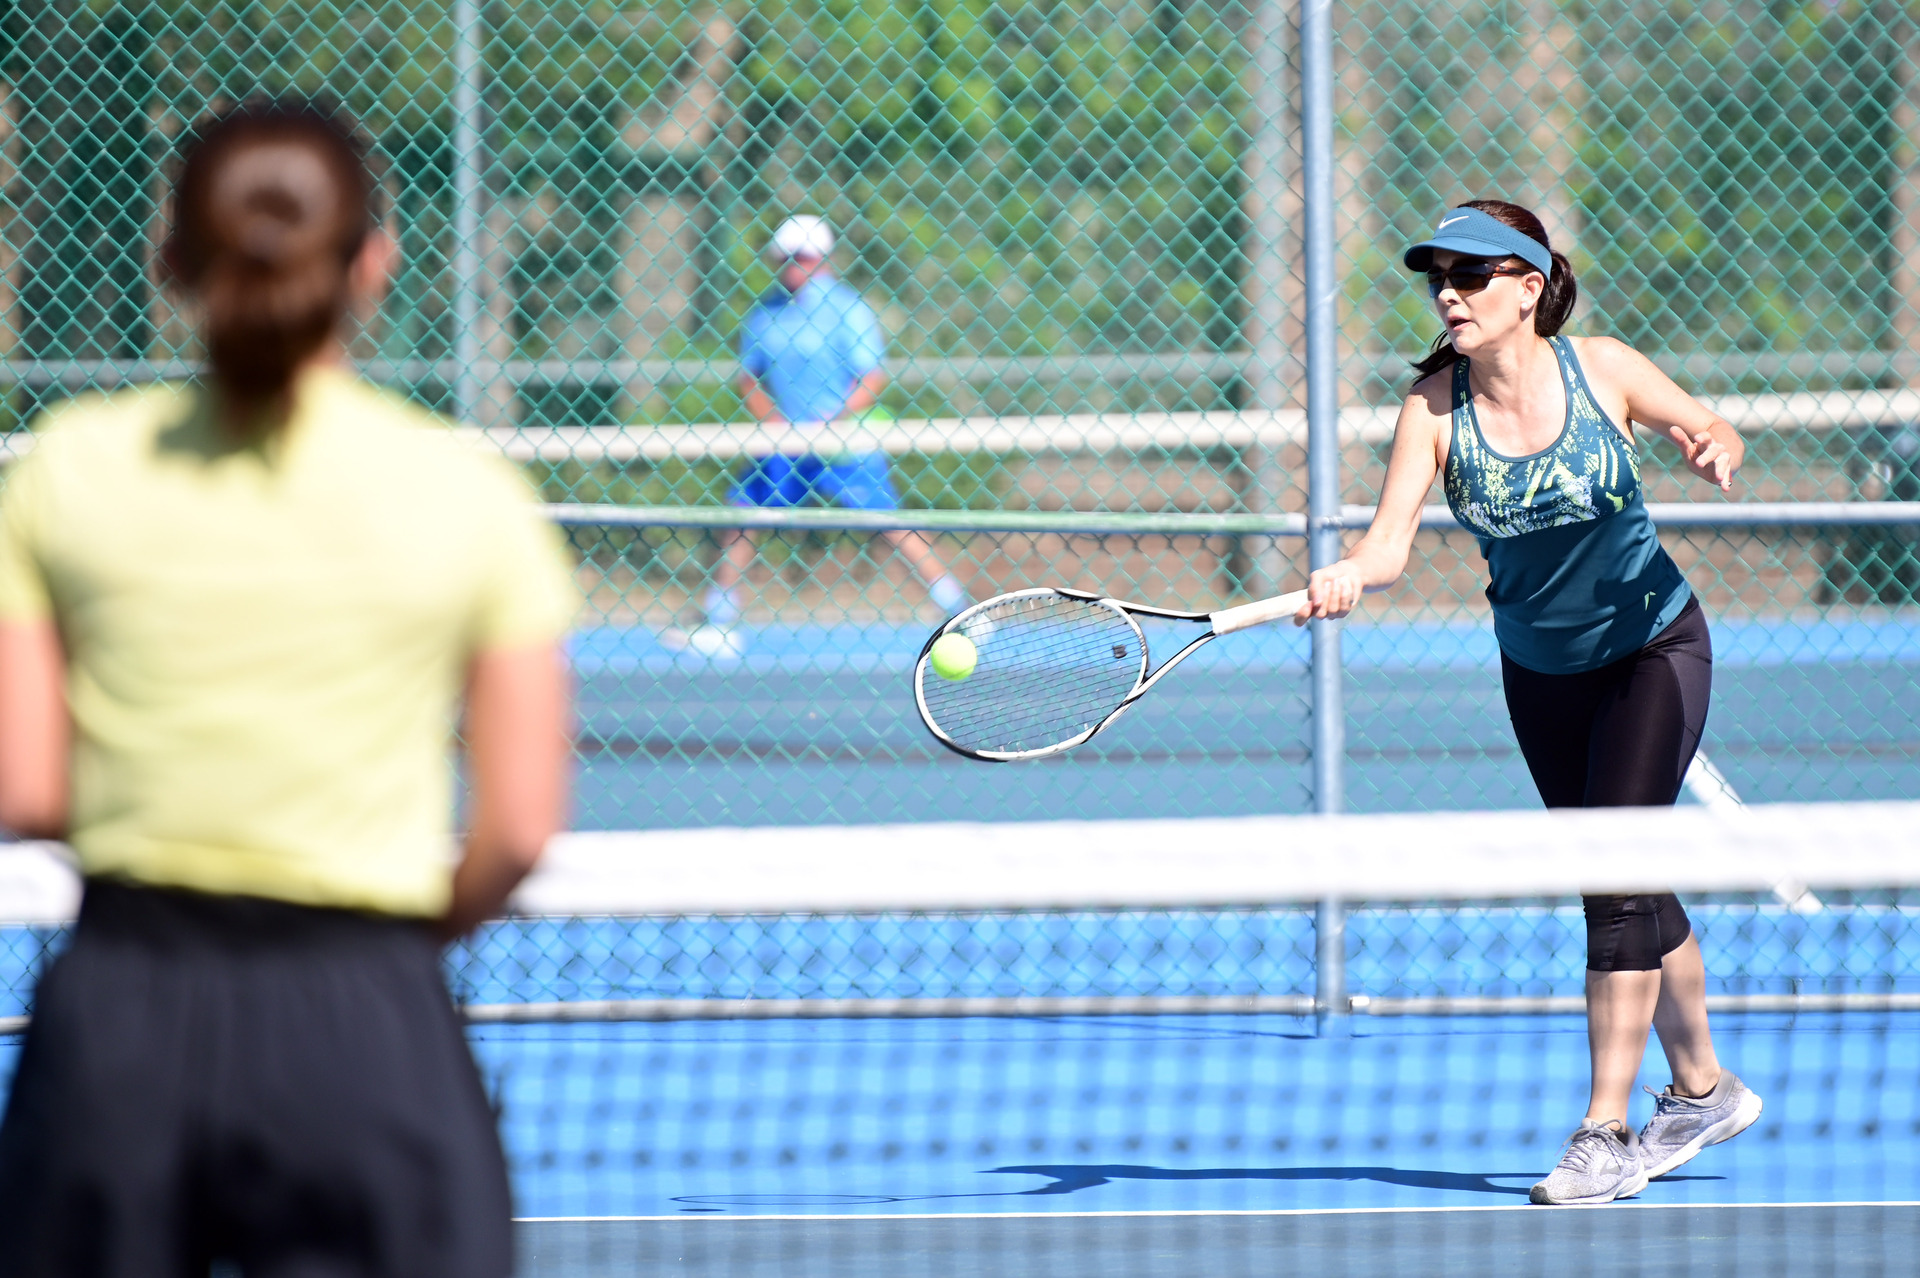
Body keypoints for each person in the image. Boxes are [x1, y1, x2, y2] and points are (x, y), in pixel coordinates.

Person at [0, 100, 573, 1275]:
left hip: (118, 1031)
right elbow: (517, 827)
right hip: (368, 1033)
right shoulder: (469, 498)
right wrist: (390, 943)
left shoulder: (63, 470)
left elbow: (26, 786)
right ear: (375, 263)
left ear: (169, 261)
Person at [1294, 200, 1763, 1206]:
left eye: (1471, 276)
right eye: (1438, 279)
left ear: (1530, 286)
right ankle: (1704, 1091)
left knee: (1614, 874)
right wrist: (1348, 576)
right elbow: (1387, 547)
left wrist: (1710, 439)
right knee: (1626, 867)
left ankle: (1604, 1132)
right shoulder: (1433, 404)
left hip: (1653, 646)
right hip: (1542, 675)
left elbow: (1706, 420)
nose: (1449, 294)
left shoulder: (1604, 367)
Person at [669, 215, 967, 654]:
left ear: (821, 258)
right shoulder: (764, 313)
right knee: (744, 515)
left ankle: (958, 609)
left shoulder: (848, 308)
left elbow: (871, 377)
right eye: (786, 256)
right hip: (784, 442)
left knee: (889, 522)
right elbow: (750, 378)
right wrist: (775, 423)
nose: (794, 264)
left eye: (803, 256)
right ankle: (719, 619)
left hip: (843, 441)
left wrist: (831, 422)